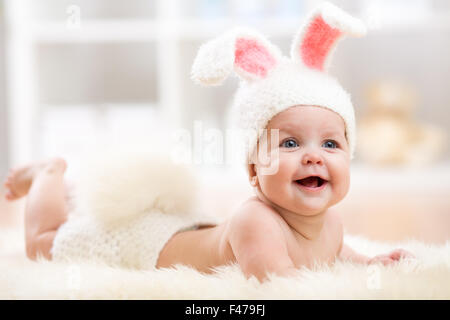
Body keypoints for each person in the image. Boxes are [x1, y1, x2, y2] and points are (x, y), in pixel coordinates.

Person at [3, 2, 415, 282]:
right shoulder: (257, 221)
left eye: (330, 144)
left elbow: (334, 254)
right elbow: (280, 283)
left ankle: (76, 193)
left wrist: (368, 262)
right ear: (254, 170)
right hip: (145, 246)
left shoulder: (333, 224)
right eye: (289, 145)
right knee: (47, 245)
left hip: (178, 228)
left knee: (92, 213)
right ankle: (49, 174)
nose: (313, 157)